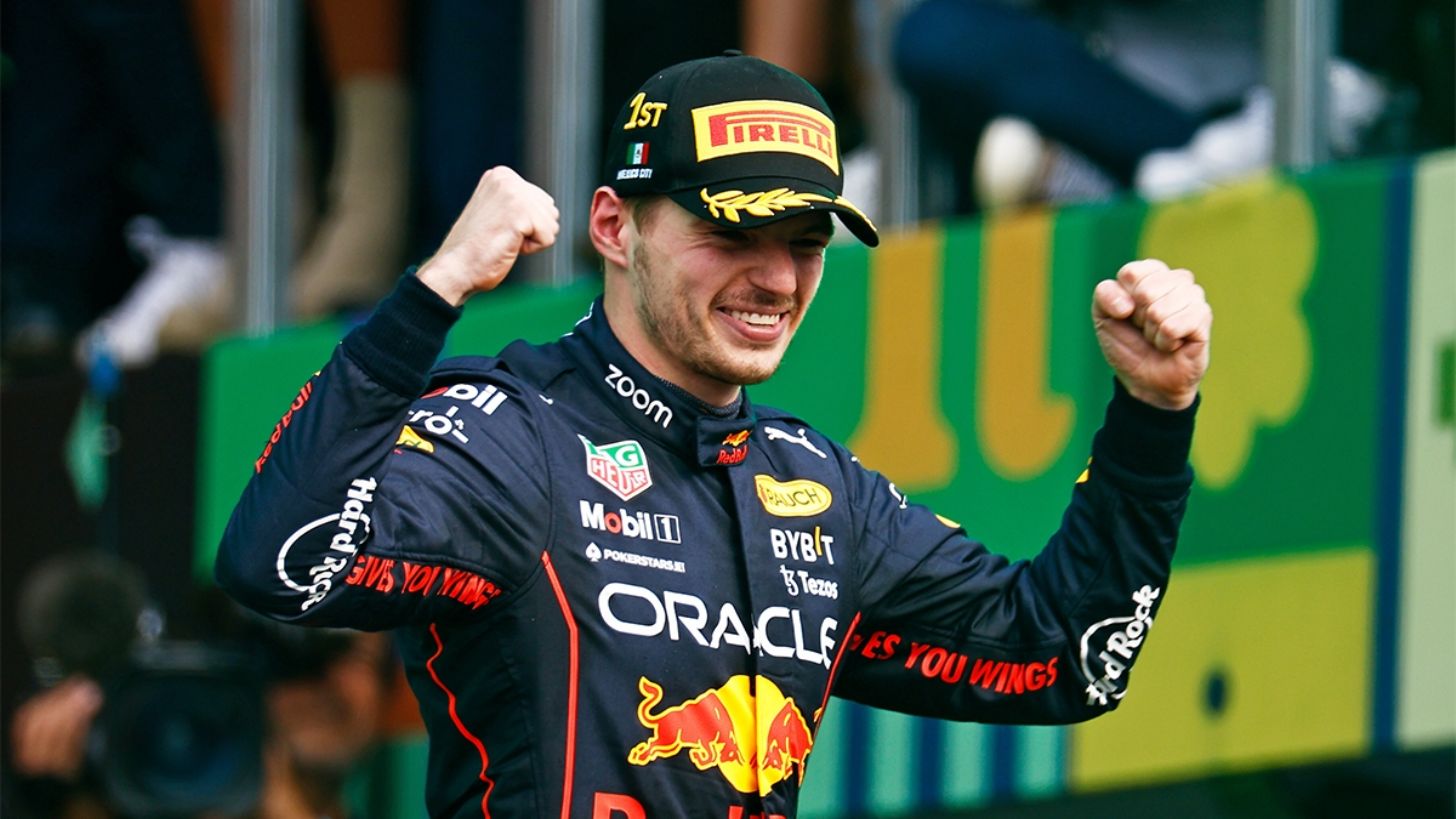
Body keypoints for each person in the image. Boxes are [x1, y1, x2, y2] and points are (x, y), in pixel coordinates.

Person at [216, 53, 1212, 818]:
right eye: (733, 233)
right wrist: (432, 292)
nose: (776, 279)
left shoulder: (820, 490)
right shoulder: (509, 436)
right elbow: (280, 563)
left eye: (804, 243)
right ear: (615, 227)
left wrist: (1154, 413)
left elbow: (1069, 658)